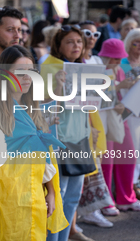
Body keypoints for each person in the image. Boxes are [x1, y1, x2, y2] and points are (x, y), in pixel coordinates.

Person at [0, 45, 68, 241]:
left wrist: (51, 191)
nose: (27, 78)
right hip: (9, 197)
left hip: (35, 193)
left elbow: (45, 156)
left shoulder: (34, 108)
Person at [41, 25, 93, 241]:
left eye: (79, 41)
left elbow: (90, 105)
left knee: (73, 196)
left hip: (80, 137)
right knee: (58, 194)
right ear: (59, 45)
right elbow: (43, 105)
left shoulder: (84, 67)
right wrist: (59, 88)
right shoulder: (49, 66)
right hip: (59, 137)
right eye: (70, 42)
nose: (76, 46)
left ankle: (63, 238)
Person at [75, 20, 114, 229]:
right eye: (87, 33)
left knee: (94, 163)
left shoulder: (98, 60)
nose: (91, 38)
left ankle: (93, 210)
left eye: (96, 34)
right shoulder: (73, 63)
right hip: (80, 117)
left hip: (95, 113)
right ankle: (82, 214)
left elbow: (105, 93)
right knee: (83, 166)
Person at [98, 38, 140, 214]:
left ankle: (126, 197)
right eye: (113, 58)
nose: (116, 61)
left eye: (118, 58)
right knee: (106, 161)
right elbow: (96, 96)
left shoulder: (122, 70)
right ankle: (107, 202)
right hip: (104, 119)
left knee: (129, 155)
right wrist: (117, 88)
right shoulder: (99, 70)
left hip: (122, 116)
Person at [121, 29, 140, 200]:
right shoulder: (123, 62)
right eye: (136, 42)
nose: (139, 46)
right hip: (127, 113)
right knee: (133, 151)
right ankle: (131, 187)